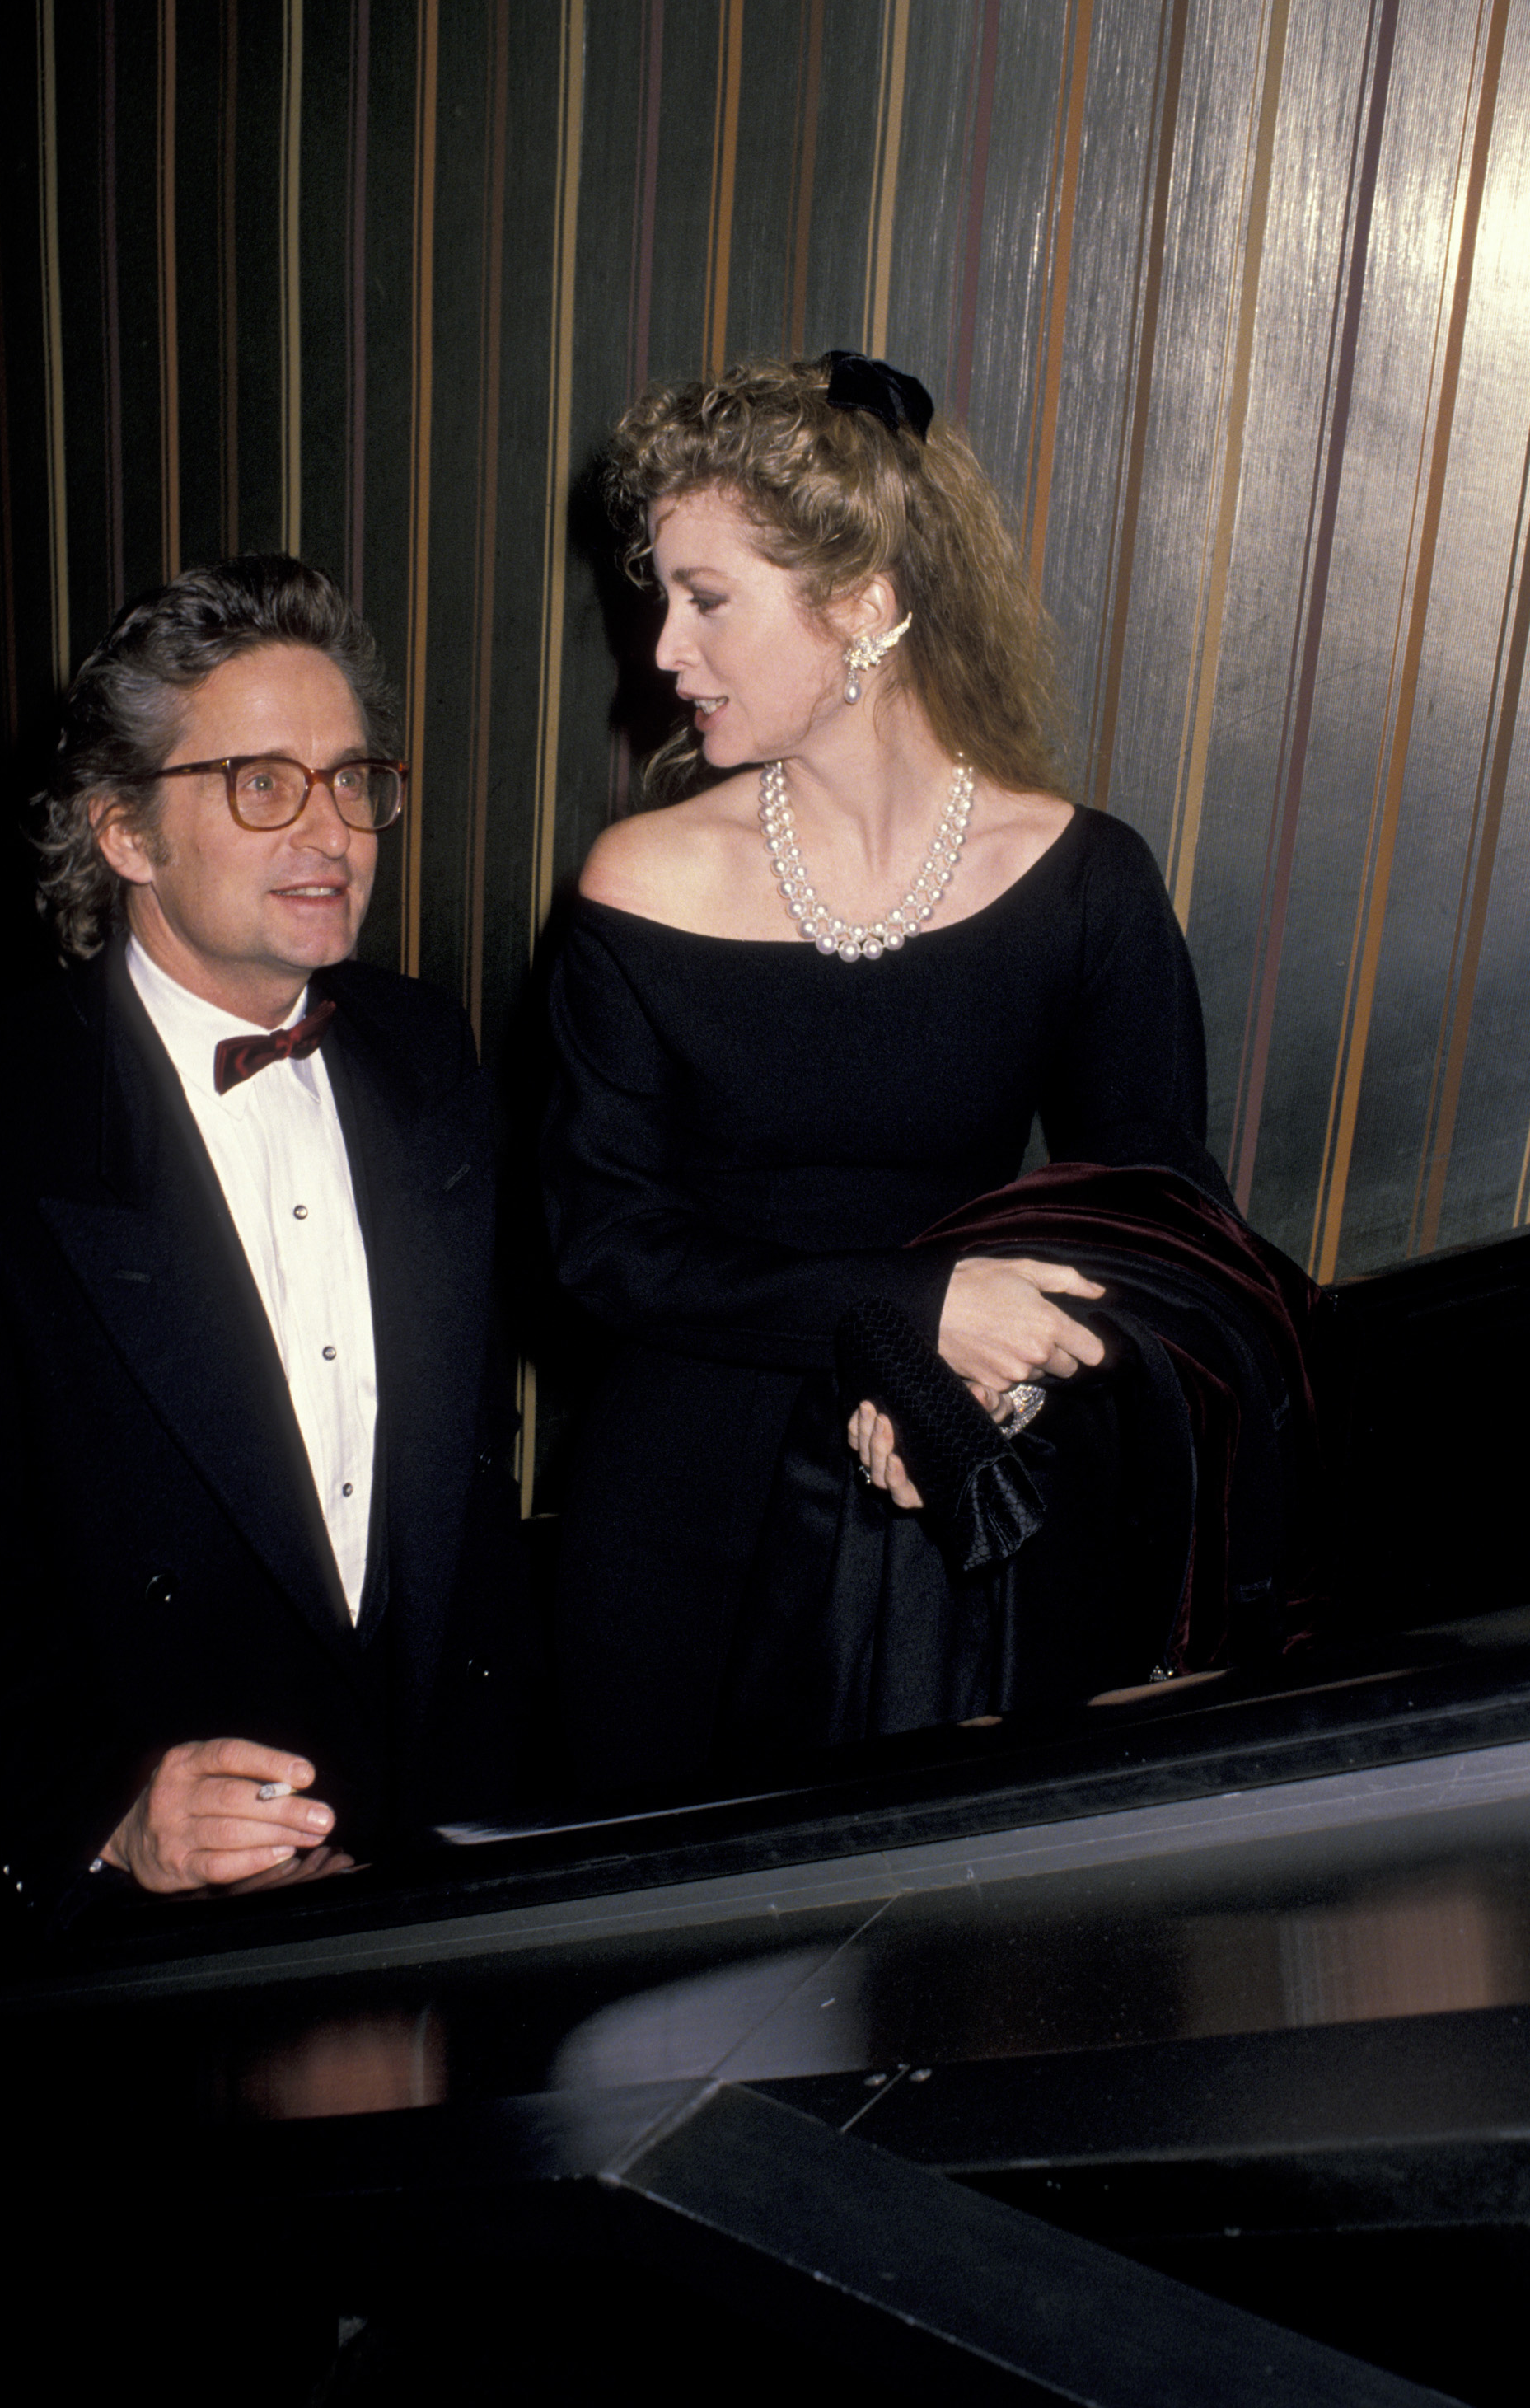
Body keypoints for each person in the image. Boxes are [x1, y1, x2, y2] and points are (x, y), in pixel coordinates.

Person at [542, 352, 1317, 1800]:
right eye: (661, 596)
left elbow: (1153, 1215)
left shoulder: (1080, 877)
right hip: (683, 1507)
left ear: (865, 606)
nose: (660, 649)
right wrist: (900, 1314)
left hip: (946, 1487)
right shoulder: (638, 881)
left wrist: (1005, 1383)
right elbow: (606, 1250)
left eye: (705, 598)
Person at [0, 555, 531, 1931]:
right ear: (126, 834)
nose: (333, 833)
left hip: (439, 1854)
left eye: (352, 779)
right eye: (262, 784)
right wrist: (106, 1807)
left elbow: (462, 1491)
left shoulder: (426, 1049)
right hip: (163, 1923)